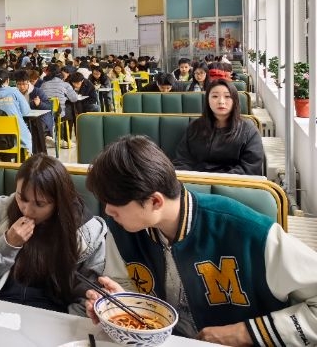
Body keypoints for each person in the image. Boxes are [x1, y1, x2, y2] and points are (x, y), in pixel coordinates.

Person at [85, 135, 317, 346]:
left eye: (114, 203)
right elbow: (124, 283)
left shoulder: (249, 231)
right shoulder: (123, 230)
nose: (108, 211)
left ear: (155, 202)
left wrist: (243, 333)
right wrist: (121, 303)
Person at [0, 154, 107, 314]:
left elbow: (89, 298)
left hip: (56, 314)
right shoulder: (1, 212)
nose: (27, 210)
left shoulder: (87, 233)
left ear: (59, 202)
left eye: (40, 204)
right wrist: (7, 244)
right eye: (22, 198)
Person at [173, 79, 264, 175]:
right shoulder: (195, 126)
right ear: (207, 100)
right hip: (197, 180)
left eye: (227, 96)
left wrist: (218, 180)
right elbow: (183, 160)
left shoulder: (248, 130)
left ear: (235, 100)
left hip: (234, 182)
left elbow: (250, 167)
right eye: (215, 96)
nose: (221, 101)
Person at [0, 70, 33, 156]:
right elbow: (26, 111)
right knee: (28, 135)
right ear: (7, 80)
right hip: (16, 132)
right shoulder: (14, 91)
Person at [39, 64, 79, 149]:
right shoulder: (65, 84)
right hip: (58, 114)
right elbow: (74, 99)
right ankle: (66, 139)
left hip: (45, 114)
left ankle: (49, 136)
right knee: (70, 109)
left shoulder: (43, 84)